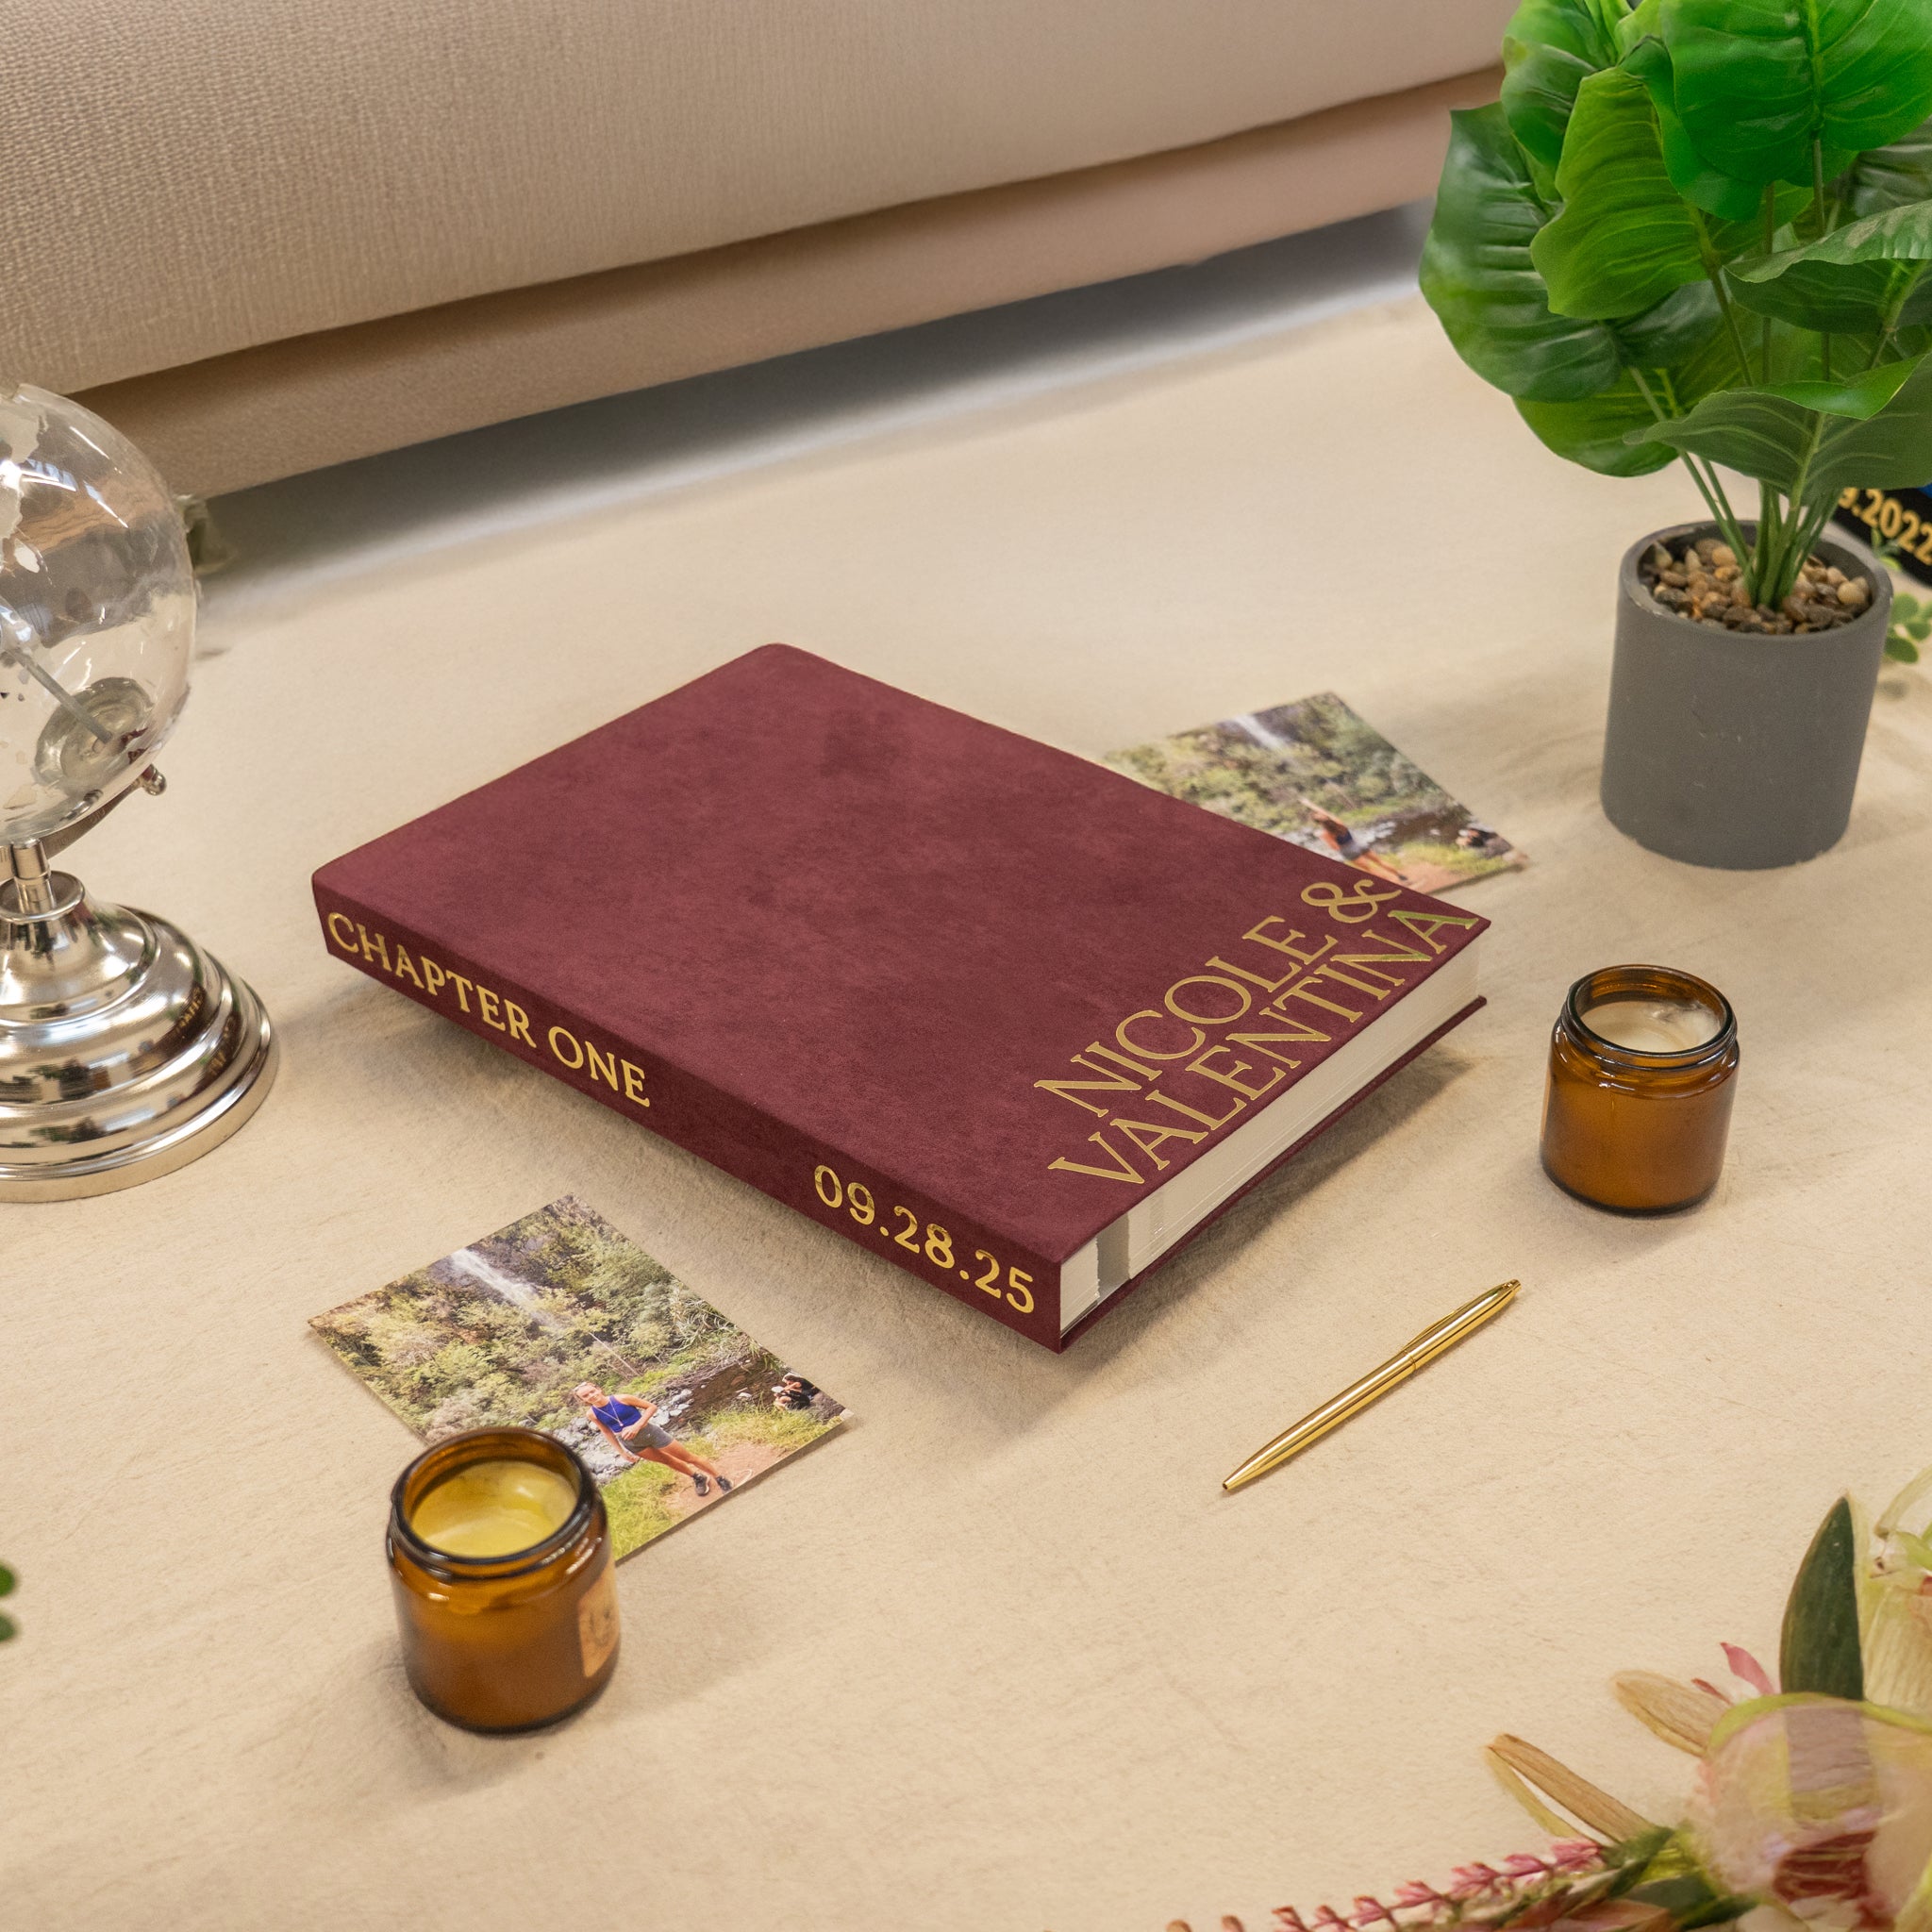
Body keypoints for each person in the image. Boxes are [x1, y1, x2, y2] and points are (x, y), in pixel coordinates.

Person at [572, 1382, 732, 1498]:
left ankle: (720, 1478)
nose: (591, 1396)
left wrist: (637, 1426)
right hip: (632, 1444)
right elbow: (607, 1432)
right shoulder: (591, 1414)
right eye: (586, 1396)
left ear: (598, 1388)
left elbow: (651, 1407)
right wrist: (621, 1452)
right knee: (667, 1461)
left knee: (688, 1457)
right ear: (583, 1400)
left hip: (651, 1433)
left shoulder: (622, 1398)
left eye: (592, 1391)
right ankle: (698, 1477)